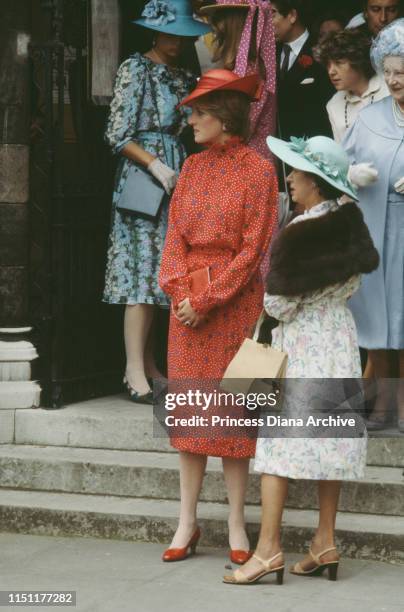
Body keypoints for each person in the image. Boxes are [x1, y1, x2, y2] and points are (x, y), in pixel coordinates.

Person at [223, 135, 379, 585]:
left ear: (316, 181)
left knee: (280, 447)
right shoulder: (352, 223)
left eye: (296, 171)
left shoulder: (297, 233)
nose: (288, 178)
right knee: (331, 442)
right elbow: (350, 286)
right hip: (340, 339)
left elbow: (278, 306)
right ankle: (324, 541)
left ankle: (268, 549)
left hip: (304, 344)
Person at [158, 69, 278, 563]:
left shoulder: (260, 170)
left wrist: (206, 299)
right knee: (190, 415)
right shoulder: (191, 167)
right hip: (187, 309)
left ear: (224, 117)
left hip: (232, 306)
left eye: (198, 113)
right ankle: (186, 522)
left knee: (230, 417)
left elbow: (253, 251)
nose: (191, 123)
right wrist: (179, 291)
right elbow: (174, 238)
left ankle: (235, 522)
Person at [103, 0, 210, 403]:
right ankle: (133, 368)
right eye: (170, 33)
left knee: (163, 272)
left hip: (175, 173)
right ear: (154, 31)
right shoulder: (135, 69)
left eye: (183, 35)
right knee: (139, 271)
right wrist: (154, 165)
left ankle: (148, 364)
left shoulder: (182, 73)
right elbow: (116, 134)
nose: (177, 41)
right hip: (144, 178)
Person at [343, 19, 404, 432]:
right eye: (388, 71)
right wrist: (352, 175)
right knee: (376, 318)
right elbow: (333, 166)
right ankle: (383, 404)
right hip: (374, 230)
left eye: (401, 72)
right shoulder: (369, 117)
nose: (393, 80)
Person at [199, 0, 277, 160]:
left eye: (220, 16)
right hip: (238, 157)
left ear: (233, 21)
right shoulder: (241, 65)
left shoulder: (250, 68)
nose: (214, 24)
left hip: (247, 161)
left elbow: (241, 125)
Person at [271, 0, 334, 142]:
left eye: (272, 14)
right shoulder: (270, 54)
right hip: (281, 147)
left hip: (314, 148)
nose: (266, 23)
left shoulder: (322, 52)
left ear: (292, 15)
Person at [318, 28, 389, 142]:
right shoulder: (334, 104)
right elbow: (342, 153)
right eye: (328, 64)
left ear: (357, 59)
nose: (331, 71)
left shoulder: (390, 88)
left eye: (338, 63)